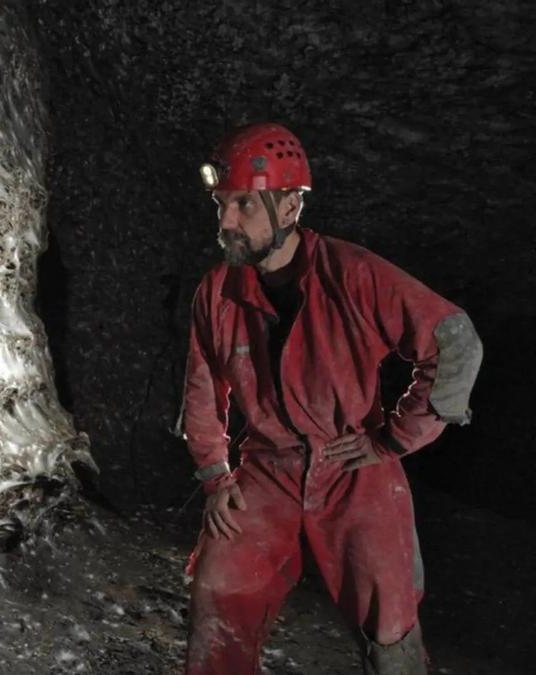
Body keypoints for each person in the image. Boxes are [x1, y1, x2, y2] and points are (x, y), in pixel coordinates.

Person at [178, 123, 484, 675]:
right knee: (219, 589)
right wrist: (214, 475)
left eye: (244, 204)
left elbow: (453, 340)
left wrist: (394, 437)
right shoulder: (218, 291)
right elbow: (203, 389)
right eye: (222, 204)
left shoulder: (353, 273)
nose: (226, 221)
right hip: (265, 468)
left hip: (351, 466)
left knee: (390, 626)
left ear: (291, 205)